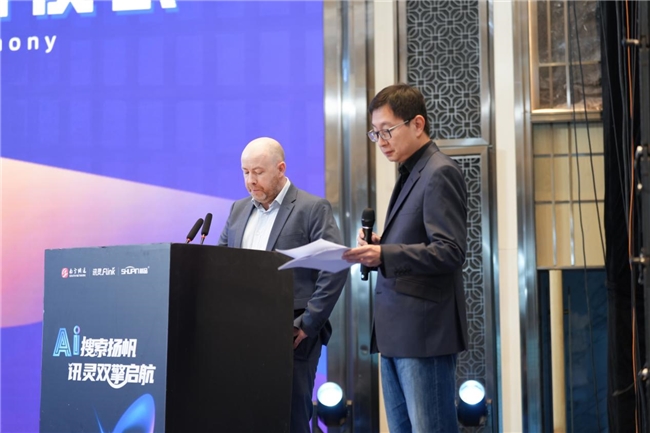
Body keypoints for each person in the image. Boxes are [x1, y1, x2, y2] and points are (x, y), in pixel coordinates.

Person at [342, 83, 468, 433]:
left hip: (424, 334)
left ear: (417, 124)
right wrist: (382, 245)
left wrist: (384, 253)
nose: (381, 141)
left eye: (387, 130)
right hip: (396, 332)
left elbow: (450, 250)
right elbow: (416, 242)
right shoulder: (411, 171)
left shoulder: (439, 171)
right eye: (375, 133)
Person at [218, 137, 348, 433]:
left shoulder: (311, 208)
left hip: (292, 335)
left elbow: (335, 267)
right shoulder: (238, 210)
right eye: (245, 172)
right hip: (241, 335)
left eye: (258, 172)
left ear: (281, 169)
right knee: (247, 418)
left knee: (290, 419)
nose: (251, 181)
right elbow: (219, 265)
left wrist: (308, 323)